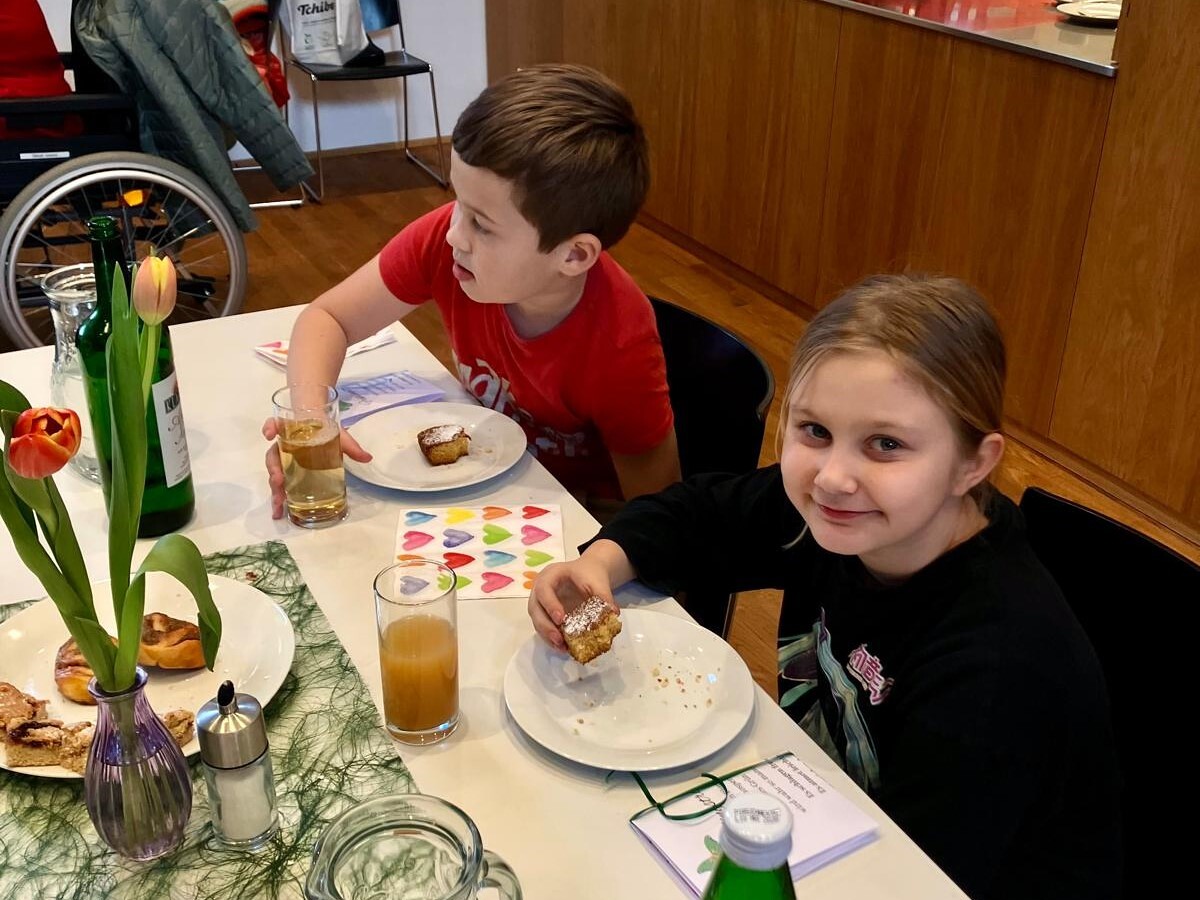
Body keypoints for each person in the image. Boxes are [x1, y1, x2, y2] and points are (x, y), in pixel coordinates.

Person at [528, 275, 1121, 900]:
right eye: (814, 430)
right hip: (823, 809)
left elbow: (911, 880)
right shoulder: (835, 515)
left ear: (972, 464)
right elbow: (696, 516)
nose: (834, 477)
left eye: (886, 444)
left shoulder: (999, 666)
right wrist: (600, 566)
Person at [265, 64, 679, 518]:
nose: (453, 233)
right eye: (457, 202)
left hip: (572, 515)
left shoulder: (619, 343)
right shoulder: (448, 240)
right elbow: (329, 317)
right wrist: (312, 421)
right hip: (479, 485)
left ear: (574, 255)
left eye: (481, 224)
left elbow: (659, 514)